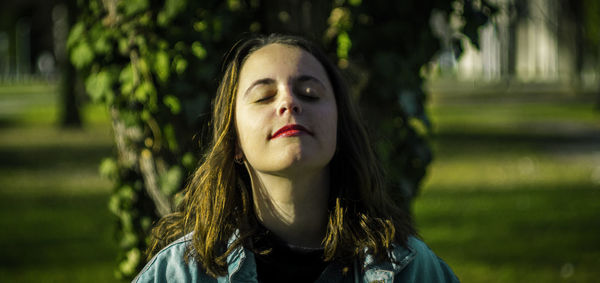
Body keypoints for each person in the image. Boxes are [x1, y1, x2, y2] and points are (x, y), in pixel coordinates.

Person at [133, 34, 459, 283]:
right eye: (263, 97)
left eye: (309, 94)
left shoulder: (410, 270)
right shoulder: (180, 274)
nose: (288, 102)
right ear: (235, 143)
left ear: (339, 127)